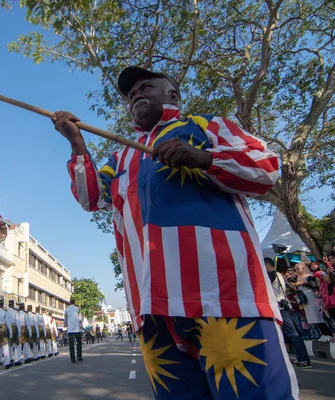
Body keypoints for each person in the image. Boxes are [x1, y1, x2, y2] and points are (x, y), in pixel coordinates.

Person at [53, 65, 297, 399]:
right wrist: (77, 143)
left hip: (224, 297)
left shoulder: (206, 125)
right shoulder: (121, 155)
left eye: (145, 86)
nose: (136, 93)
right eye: (131, 93)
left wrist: (205, 158)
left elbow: (265, 168)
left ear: (172, 94)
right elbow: (91, 197)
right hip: (152, 308)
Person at [265, 258, 312, 369]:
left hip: (281, 308)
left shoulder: (272, 275)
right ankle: (300, 358)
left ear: (268, 264)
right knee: (292, 334)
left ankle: (304, 359)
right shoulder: (279, 275)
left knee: (293, 334)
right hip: (286, 306)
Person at [64, 298, 82, 363]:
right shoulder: (77, 309)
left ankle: (72, 358)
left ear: (69, 302)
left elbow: (65, 319)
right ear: (75, 302)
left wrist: (65, 325)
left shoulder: (66, 309)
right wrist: (81, 324)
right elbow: (80, 318)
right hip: (77, 328)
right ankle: (79, 356)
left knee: (71, 344)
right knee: (79, 343)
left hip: (70, 329)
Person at [6, 300, 21, 366]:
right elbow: (17, 322)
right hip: (14, 327)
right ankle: (17, 360)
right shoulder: (15, 312)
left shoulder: (6, 312)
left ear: (9, 305)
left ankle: (10, 358)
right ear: (13, 305)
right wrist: (19, 331)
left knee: (9, 345)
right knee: (16, 345)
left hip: (7, 327)